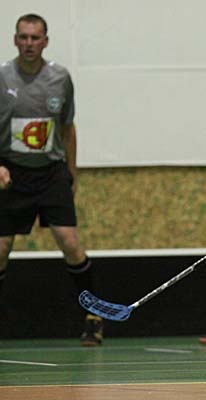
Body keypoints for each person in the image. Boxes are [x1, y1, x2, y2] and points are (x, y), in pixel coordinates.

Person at [0, 14, 102, 346]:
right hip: (11, 172)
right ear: (15, 40)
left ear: (45, 41)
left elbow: (68, 127)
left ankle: (93, 315)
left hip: (51, 171)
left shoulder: (60, 78)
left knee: (69, 242)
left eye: (35, 38)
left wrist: (72, 171)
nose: (29, 44)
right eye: (23, 37)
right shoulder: (2, 77)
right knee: (1, 247)